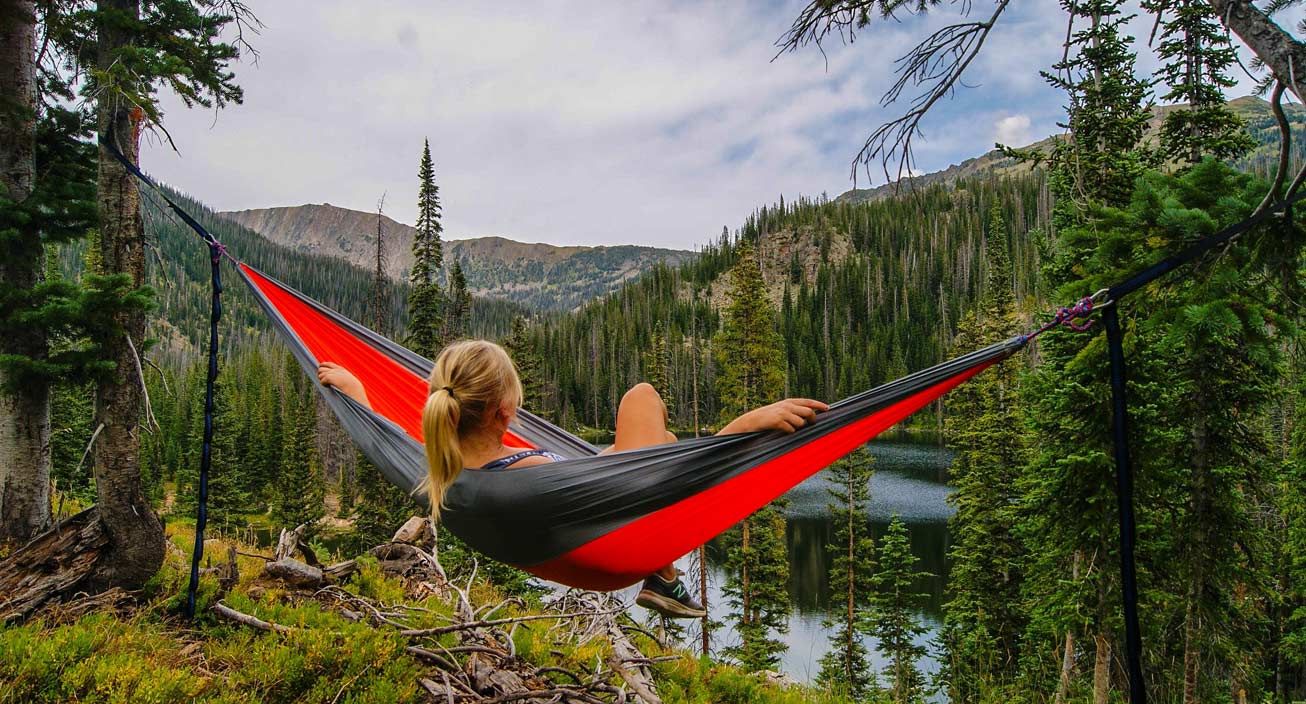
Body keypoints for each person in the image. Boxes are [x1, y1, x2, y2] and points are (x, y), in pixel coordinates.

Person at [317, 339, 827, 619]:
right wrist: (741, 430)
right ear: (505, 410)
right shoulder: (528, 477)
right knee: (642, 397)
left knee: (663, 440)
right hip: (612, 549)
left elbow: (388, 438)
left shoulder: (437, 469)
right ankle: (664, 574)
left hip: (577, 523)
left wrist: (357, 393)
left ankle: (666, 576)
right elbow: (662, 488)